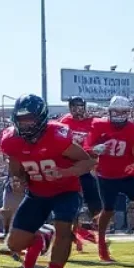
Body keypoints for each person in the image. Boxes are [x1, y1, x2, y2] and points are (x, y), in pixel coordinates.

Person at [0, 94, 96, 268]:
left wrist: (65, 173)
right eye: (21, 119)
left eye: (30, 119)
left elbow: (87, 162)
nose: (25, 124)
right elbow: (16, 167)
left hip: (65, 190)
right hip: (37, 193)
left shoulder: (57, 135)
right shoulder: (11, 140)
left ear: (42, 118)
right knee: (14, 245)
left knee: (64, 229)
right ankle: (40, 238)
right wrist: (18, 179)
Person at [85, 96, 134, 261]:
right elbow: (86, 148)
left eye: (123, 111)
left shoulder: (133, 129)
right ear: (110, 111)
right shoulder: (99, 125)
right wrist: (94, 149)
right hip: (106, 175)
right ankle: (101, 247)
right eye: (117, 111)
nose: (119, 115)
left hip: (127, 175)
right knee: (108, 211)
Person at [57, 96, 102, 246]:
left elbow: (101, 141)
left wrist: (97, 150)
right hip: (70, 166)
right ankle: (76, 231)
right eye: (74, 106)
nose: (77, 109)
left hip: (87, 165)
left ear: (84, 106)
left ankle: (98, 229)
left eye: (80, 106)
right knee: (71, 200)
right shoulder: (64, 122)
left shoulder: (93, 123)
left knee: (93, 199)